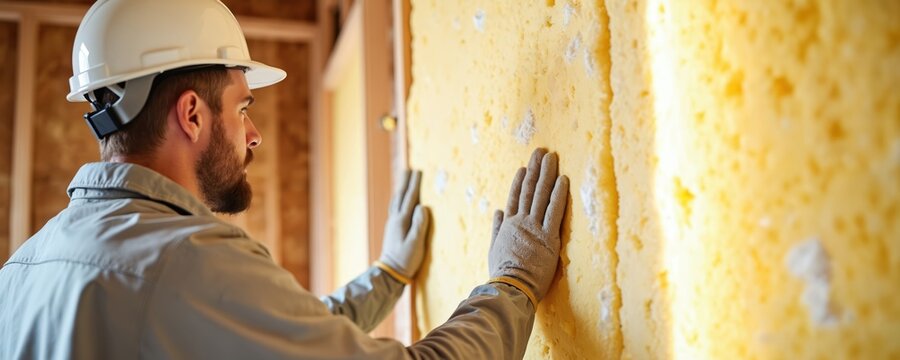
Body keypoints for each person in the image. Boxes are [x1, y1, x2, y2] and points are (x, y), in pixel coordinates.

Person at [0, 0, 570, 358]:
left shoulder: (19, 274)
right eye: (242, 108)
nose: (254, 135)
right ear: (192, 114)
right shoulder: (188, 261)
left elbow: (284, 335)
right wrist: (513, 287)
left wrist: (389, 274)